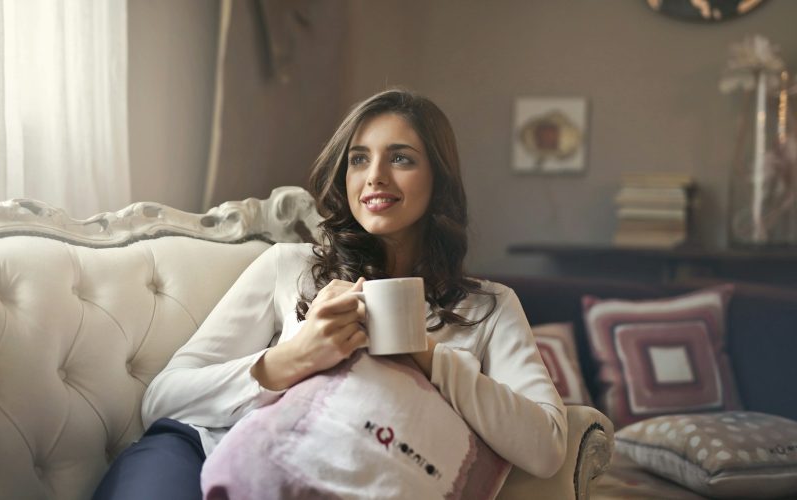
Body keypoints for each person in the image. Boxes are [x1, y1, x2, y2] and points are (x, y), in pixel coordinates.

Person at [92, 89, 567, 499]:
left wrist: (428, 355)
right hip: (198, 452)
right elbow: (163, 399)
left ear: (438, 179)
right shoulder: (290, 266)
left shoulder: (488, 308)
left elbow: (545, 446)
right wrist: (295, 358)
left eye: (400, 158)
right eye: (359, 158)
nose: (374, 176)